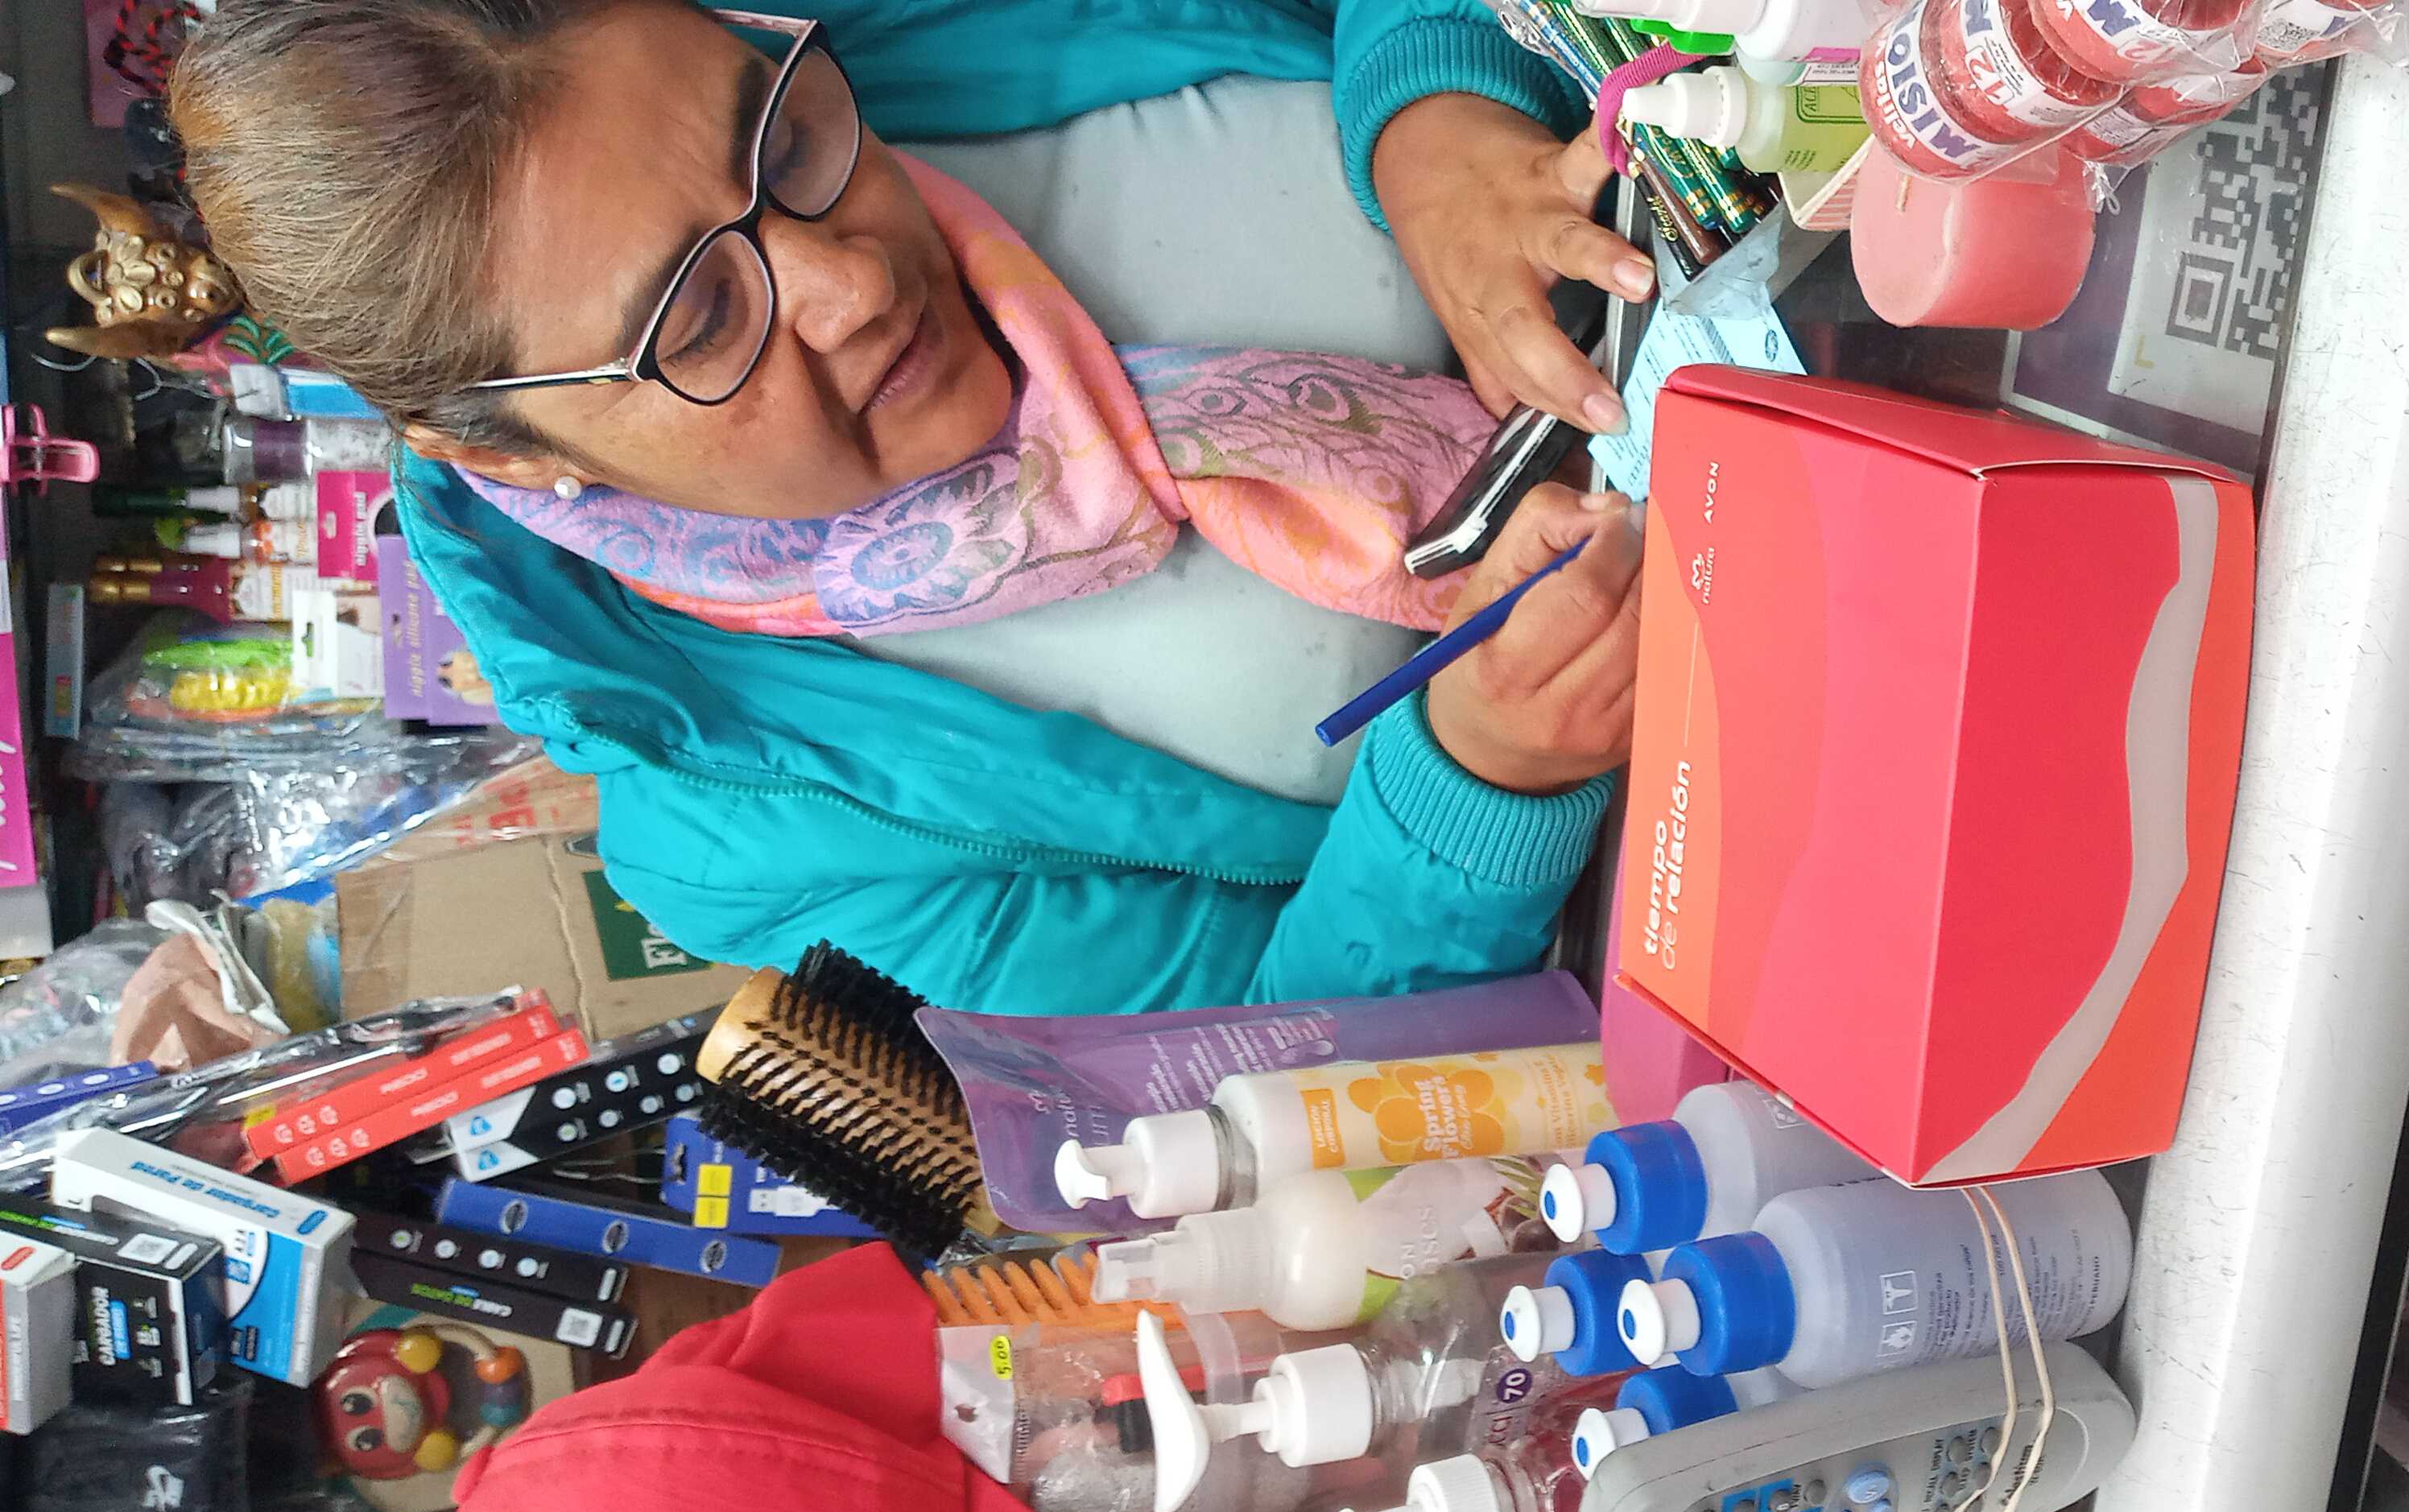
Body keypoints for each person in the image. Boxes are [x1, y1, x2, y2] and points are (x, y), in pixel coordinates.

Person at [166, 0, 1655, 1014]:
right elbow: (1280, 1056)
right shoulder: (755, 836)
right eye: (700, 323)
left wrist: (1436, 120)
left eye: (784, 144)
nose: (855, 282)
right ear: (507, 455)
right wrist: (1487, 778)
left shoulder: (886, 30)